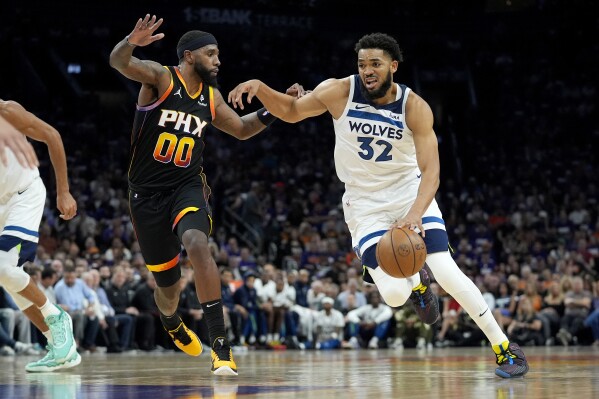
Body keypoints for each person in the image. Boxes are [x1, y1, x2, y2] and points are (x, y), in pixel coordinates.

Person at [228, 32, 529, 378]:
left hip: (407, 194)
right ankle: (416, 284)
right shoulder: (339, 90)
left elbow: (432, 171)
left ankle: (504, 348)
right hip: (364, 203)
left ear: (393, 66)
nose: (367, 70)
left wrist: (415, 214)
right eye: (362, 64)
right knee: (396, 296)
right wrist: (260, 87)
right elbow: (293, 111)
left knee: (446, 268)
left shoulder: (415, 106)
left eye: (375, 64)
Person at [109, 14, 287, 375]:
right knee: (169, 289)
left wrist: (275, 110)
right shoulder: (161, 78)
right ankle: (171, 321)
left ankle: (220, 345)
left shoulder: (211, 97)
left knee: (197, 243)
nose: (218, 60)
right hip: (145, 197)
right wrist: (130, 40)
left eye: (218, 54)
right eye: (211, 53)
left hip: (187, 187)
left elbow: (240, 128)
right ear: (189, 56)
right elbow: (119, 62)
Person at [0, 99, 79, 371]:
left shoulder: (7, 111)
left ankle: (57, 318)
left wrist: (63, 191)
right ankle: (59, 347)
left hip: (24, 195)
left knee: (2, 268)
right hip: (1, 203)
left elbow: (51, 136)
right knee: (9, 278)